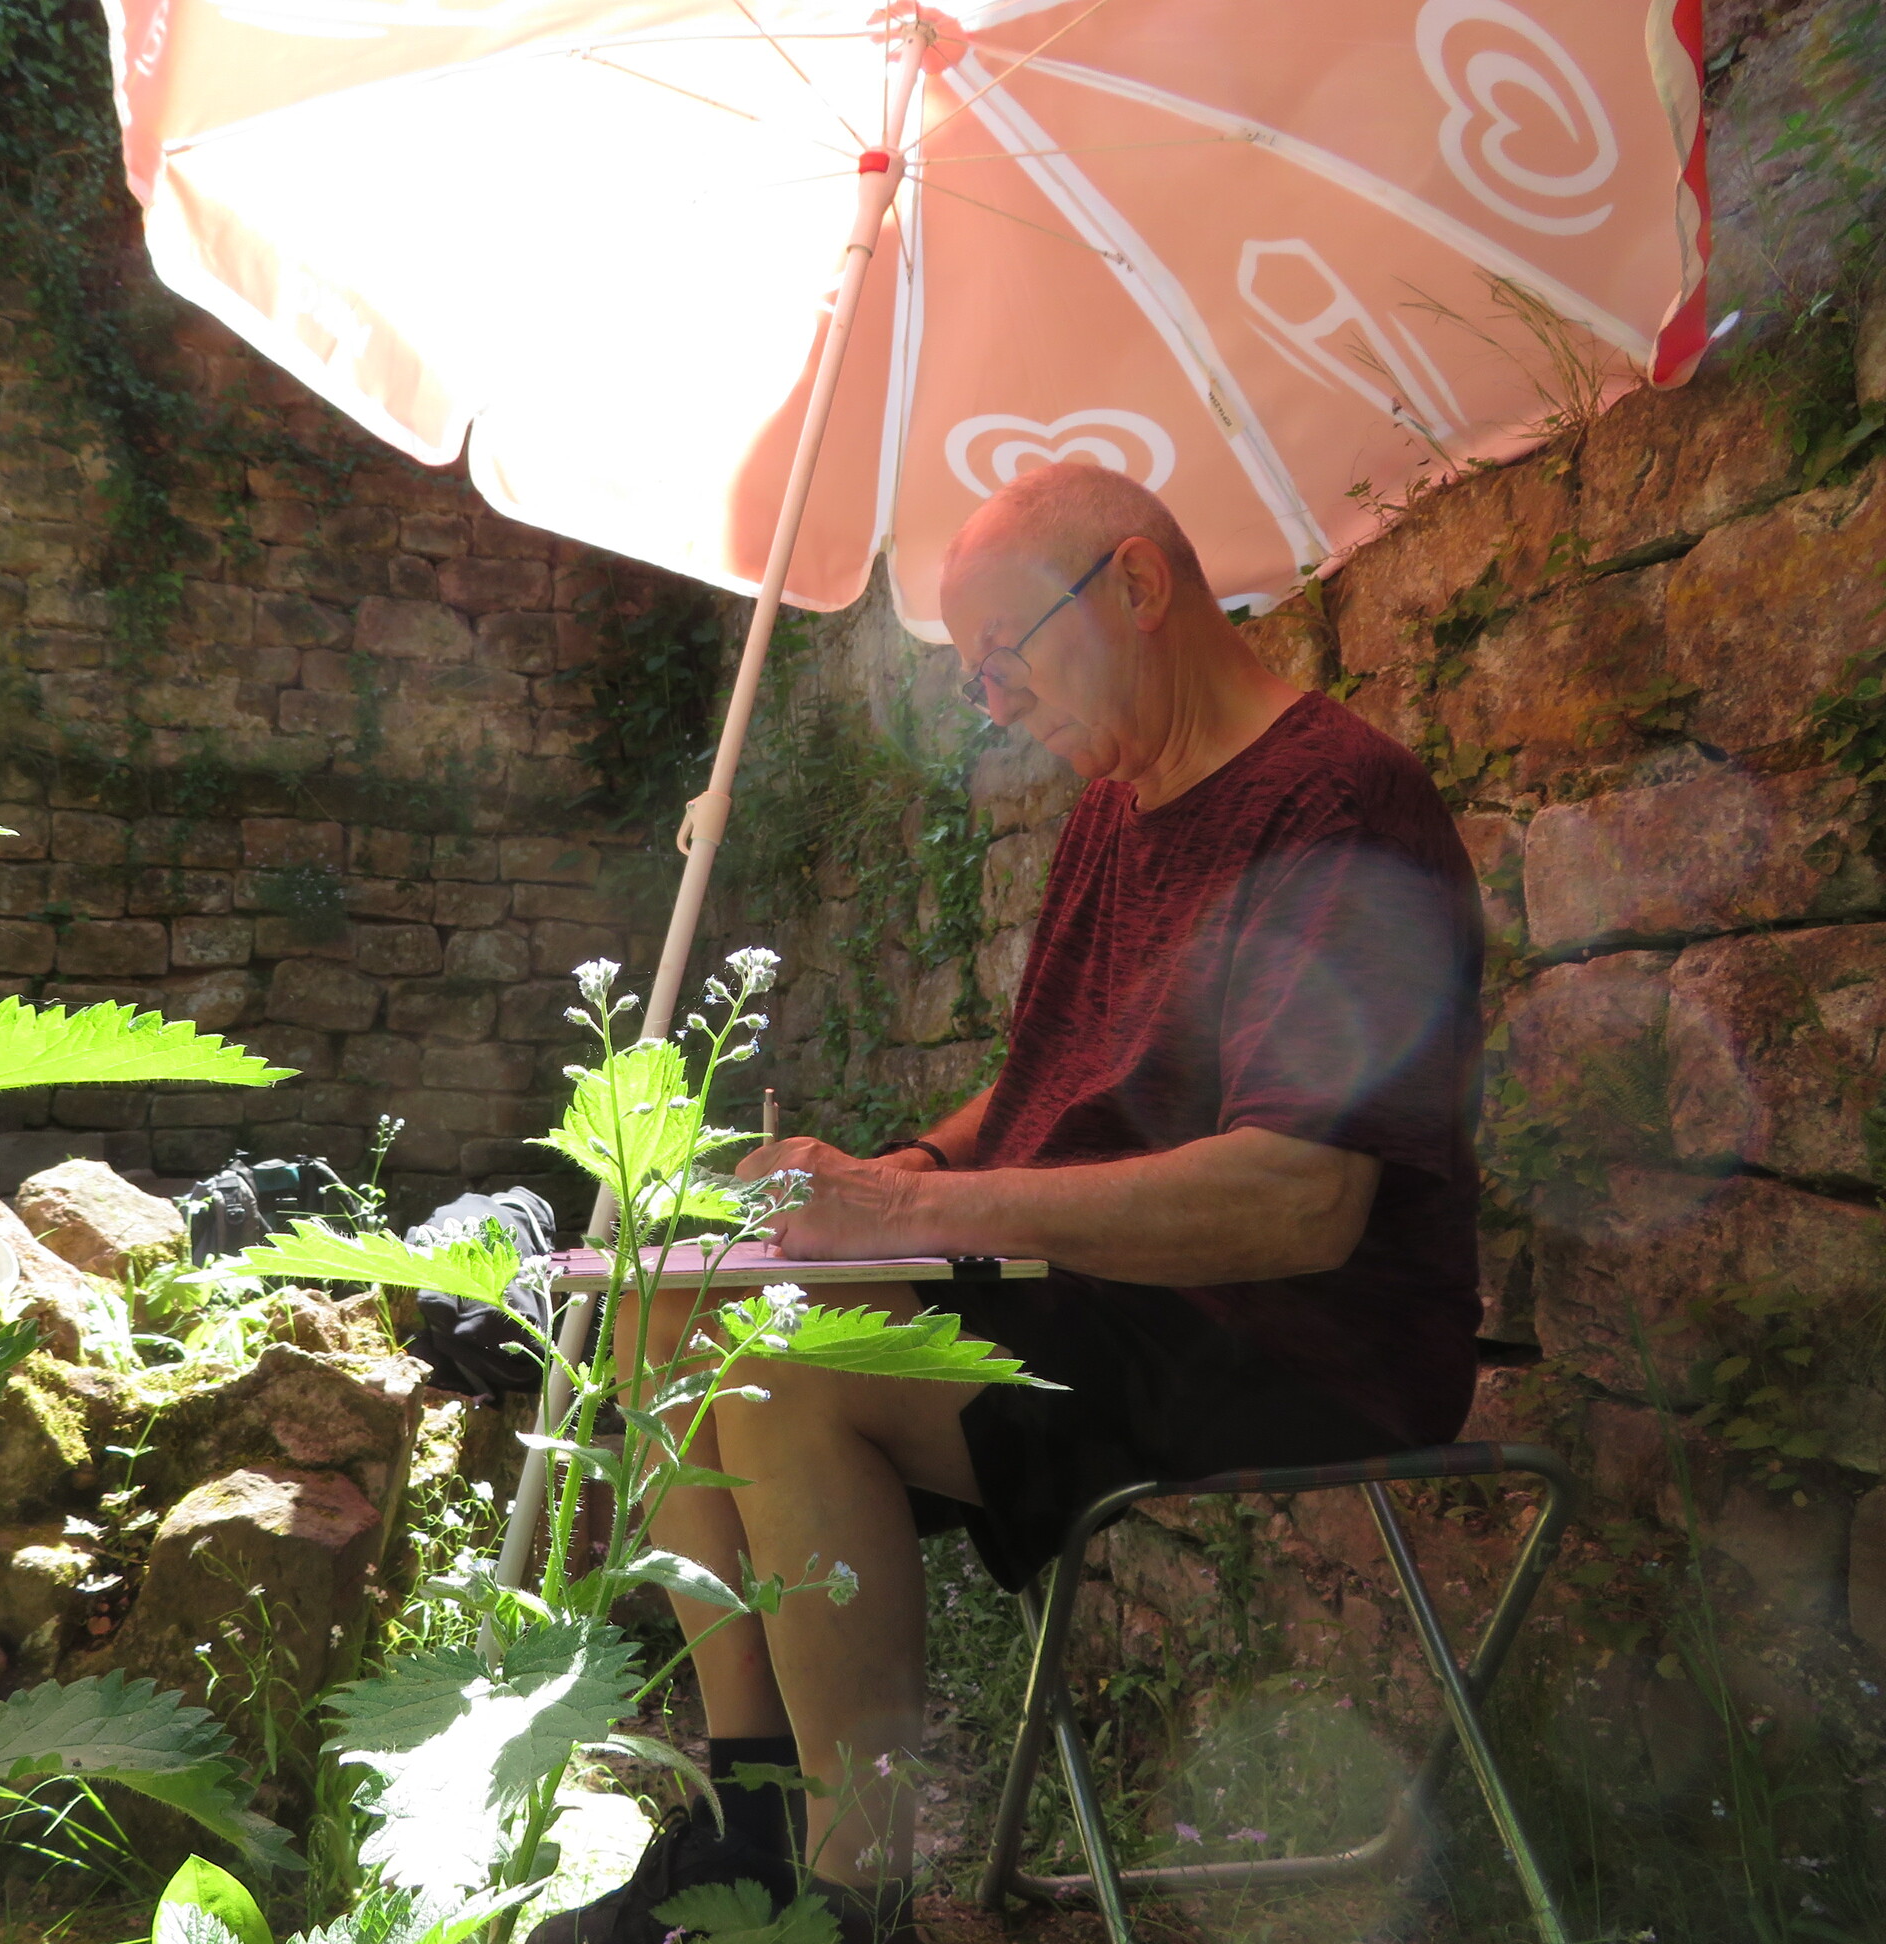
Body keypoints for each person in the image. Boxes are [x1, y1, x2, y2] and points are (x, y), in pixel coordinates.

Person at [528, 463, 1486, 1944]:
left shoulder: (1336, 806)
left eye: (1003, 654)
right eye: (970, 673)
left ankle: (850, 1902)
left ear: (1137, 586)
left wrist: (923, 1219)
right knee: (675, 1308)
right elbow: (1052, 1084)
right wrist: (908, 1175)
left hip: (1284, 1333)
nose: (988, 702)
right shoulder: (1119, 807)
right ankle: (751, 1825)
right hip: (1100, 1296)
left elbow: (1302, 1202)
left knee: (788, 1361)